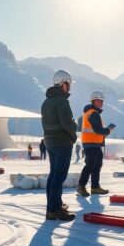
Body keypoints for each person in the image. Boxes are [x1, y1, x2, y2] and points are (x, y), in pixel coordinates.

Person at [41, 70, 78, 221]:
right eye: (68, 84)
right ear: (63, 83)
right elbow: (67, 123)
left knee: (53, 175)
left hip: (50, 142)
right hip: (62, 142)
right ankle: (54, 210)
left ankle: (53, 206)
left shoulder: (46, 102)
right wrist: (74, 131)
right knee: (59, 176)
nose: (69, 88)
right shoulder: (62, 101)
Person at [77, 91, 114, 197]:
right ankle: (81, 186)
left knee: (97, 164)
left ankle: (95, 187)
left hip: (94, 143)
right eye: (99, 101)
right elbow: (98, 130)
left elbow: (95, 130)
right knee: (90, 165)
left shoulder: (92, 112)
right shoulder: (93, 113)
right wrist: (107, 131)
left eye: (102, 101)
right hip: (91, 143)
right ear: (93, 101)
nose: (101, 103)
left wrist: (104, 132)